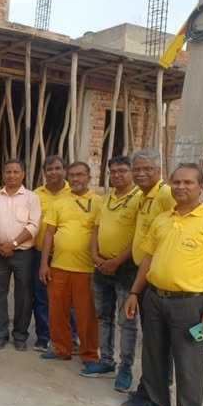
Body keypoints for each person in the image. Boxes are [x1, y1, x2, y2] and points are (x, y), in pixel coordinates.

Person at [125, 163, 203, 406]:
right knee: (153, 358)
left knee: (188, 363)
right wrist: (135, 292)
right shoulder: (162, 219)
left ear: (201, 187)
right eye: (176, 182)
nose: (181, 187)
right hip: (155, 299)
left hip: (190, 305)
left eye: (188, 182)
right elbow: (148, 259)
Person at [120, 149, 176, 406]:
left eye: (147, 169)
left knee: (159, 342)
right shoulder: (144, 197)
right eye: (137, 169)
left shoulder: (165, 196)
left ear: (159, 170)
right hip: (142, 275)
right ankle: (149, 388)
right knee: (152, 340)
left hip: (159, 280)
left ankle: (155, 395)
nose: (141, 174)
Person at [83, 156, 141, 391]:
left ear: (132, 172)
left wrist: (116, 261)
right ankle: (106, 360)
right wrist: (95, 256)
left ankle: (125, 368)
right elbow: (96, 229)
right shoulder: (106, 199)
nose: (117, 175)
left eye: (122, 170)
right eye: (113, 171)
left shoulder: (140, 199)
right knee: (103, 316)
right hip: (101, 267)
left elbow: (140, 237)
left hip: (127, 269)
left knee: (126, 321)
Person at [39, 162, 101, 363]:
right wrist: (44, 264)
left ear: (89, 177)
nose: (76, 179)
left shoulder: (99, 203)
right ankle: (61, 349)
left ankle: (89, 354)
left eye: (80, 175)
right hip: (58, 267)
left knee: (86, 316)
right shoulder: (59, 203)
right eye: (72, 175)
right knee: (57, 312)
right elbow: (49, 234)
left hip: (86, 269)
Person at [0, 159, 41, 350]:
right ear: (3, 174)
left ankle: (20, 336)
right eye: (8, 172)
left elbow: (34, 225)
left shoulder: (31, 198)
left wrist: (13, 244)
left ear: (23, 174)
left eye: (16, 172)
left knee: (23, 296)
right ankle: (0, 333)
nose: (12, 175)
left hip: (23, 254)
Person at [31, 155, 72, 352]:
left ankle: (69, 338)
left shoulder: (73, 193)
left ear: (64, 170)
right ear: (44, 172)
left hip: (66, 255)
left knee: (67, 299)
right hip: (40, 254)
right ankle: (43, 336)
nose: (53, 172)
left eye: (57, 168)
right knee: (41, 297)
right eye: (49, 169)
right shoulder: (36, 194)